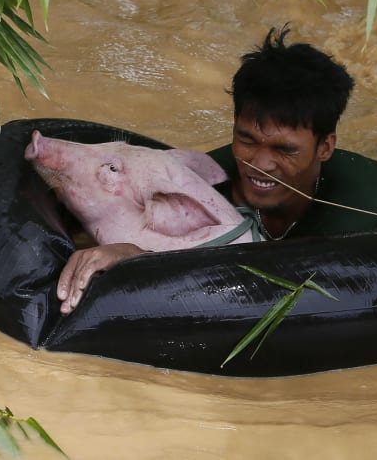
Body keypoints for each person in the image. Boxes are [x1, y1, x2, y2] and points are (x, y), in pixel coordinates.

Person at [56, 24, 359, 314]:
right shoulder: (199, 185)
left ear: (325, 147)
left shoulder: (356, 206)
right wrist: (128, 253)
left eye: (284, 149)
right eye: (246, 140)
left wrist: (144, 261)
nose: (261, 164)